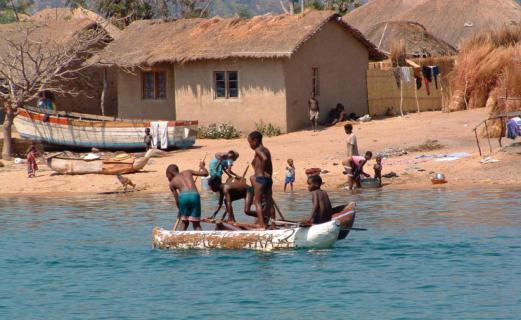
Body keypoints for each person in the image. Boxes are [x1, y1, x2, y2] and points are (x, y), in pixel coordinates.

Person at [166, 162, 209, 231]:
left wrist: (180, 210)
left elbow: (177, 200)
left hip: (183, 197)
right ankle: (202, 239)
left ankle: (179, 238)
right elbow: (206, 173)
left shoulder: (172, 183)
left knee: (184, 222)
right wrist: (202, 166)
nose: (168, 178)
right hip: (195, 195)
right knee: (196, 223)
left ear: (169, 174)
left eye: (167, 176)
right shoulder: (188, 172)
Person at [248, 131, 274, 228]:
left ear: (255, 141)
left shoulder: (258, 150)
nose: (250, 145)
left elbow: (265, 159)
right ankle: (272, 224)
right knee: (269, 202)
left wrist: (261, 173)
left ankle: (262, 225)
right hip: (268, 179)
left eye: (250, 142)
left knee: (257, 202)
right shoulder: (266, 149)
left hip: (260, 179)